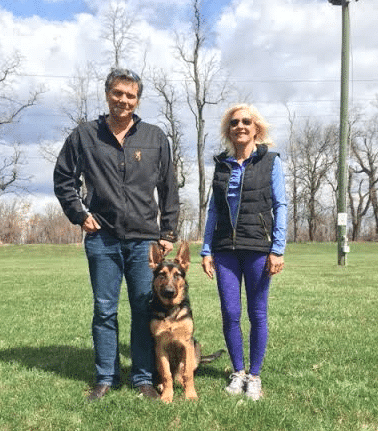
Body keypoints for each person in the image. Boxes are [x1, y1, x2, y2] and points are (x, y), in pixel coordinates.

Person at [54, 68, 179, 401]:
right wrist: (79, 214)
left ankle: (142, 379)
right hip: (103, 238)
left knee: (142, 308)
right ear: (107, 94)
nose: (124, 100)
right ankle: (105, 377)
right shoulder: (84, 136)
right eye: (118, 93)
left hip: (144, 241)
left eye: (131, 95)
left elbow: (168, 187)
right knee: (104, 309)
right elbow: (64, 179)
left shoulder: (154, 138)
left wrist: (167, 231)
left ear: (138, 100)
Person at [201, 103, 287, 401]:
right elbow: (213, 208)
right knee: (230, 312)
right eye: (234, 122)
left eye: (246, 121)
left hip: (258, 248)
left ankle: (255, 375)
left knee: (257, 313)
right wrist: (206, 248)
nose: (240, 126)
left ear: (256, 128)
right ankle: (238, 372)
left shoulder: (270, 161)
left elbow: (280, 205)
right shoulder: (221, 164)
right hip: (225, 249)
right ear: (228, 129)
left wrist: (278, 248)